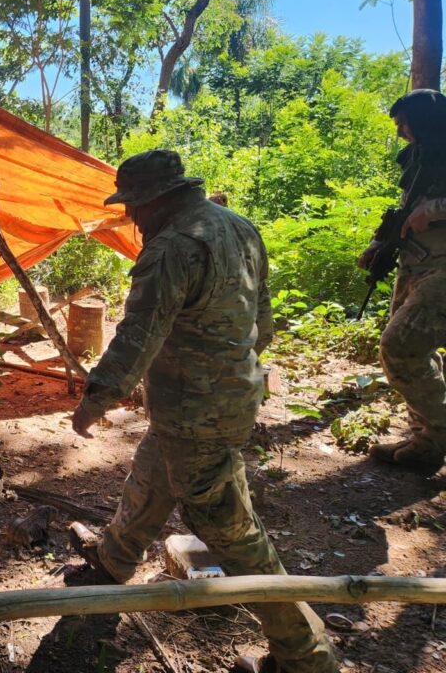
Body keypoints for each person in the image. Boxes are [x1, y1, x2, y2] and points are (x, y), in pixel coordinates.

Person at [68, 149, 338, 673]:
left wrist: (95, 400)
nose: (131, 217)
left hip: (196, 413)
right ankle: (114, 558)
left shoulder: (173, 247)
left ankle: (305, 655)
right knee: (153, 472)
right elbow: (263, 318)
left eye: (133, 206)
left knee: (233, 533)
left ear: (155, 200)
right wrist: (232, 370)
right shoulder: (237, 226)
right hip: (220, 399)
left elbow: (139, 334)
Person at [361, 89, 446, 473]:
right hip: (415, 264)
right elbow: (407, 209)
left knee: (400, 347)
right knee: (413, 352)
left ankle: (439, 430)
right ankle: (425, 441)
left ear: (425, 119)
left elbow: (428, 209)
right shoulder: (420, 157)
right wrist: (380, 244)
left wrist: (436, 209)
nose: (399, 133)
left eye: (404, 124)